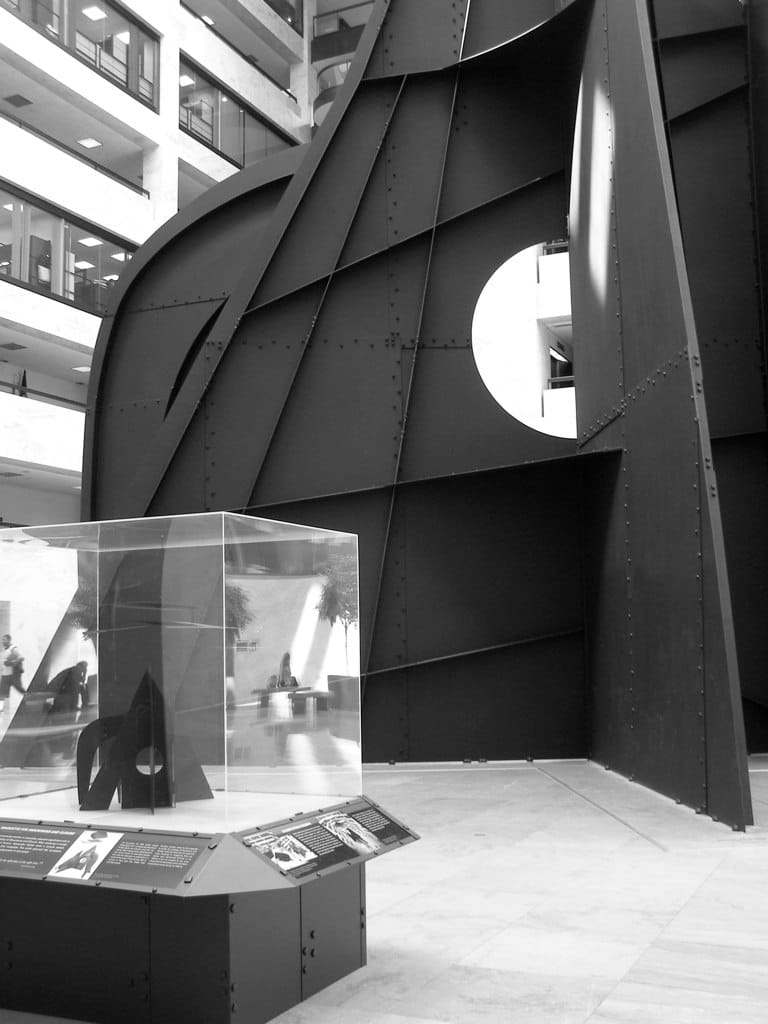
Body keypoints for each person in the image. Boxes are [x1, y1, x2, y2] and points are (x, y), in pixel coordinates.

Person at [0, 634, 25, 711]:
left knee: (20, 689)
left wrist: (12, 663)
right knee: (2, 692)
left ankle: (30, 700)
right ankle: (0, 708)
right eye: (2, 640)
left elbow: (21, 658)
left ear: (9, 640)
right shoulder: (4, 650)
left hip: (13, 675)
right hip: (5, 674)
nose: (2, 641)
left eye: (4, 640)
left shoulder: (13, 649)